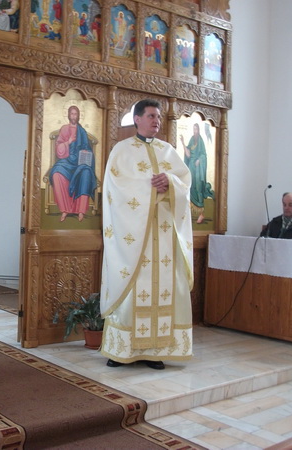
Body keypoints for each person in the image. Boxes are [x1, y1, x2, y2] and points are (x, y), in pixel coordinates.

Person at [100, 99, 194, 370]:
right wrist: (150, 189)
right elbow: (115, 188)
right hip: (133, 236)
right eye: (151, 116)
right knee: (131, 286)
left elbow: (185, 184)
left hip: (163, 235)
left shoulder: (168, 151)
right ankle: (121, 351)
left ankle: (155, 351)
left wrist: (171, 183)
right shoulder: (122, 150)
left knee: (163, 288)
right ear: (137, 119)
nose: (157, 121)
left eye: (159, 117)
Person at [49, 105, 97, 222]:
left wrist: (85, 151)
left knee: (86, 173)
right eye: (72, 114)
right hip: (67, 160)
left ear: (78, 116)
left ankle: (80, 210)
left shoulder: (82, 131)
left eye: (76, 114)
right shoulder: (64, 129)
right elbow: (59, 149)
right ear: (68, 115)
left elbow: (87, 148)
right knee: (56, 174)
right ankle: (64, 209)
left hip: (80, 162)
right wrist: (68, 142)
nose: (74, 116)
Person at [179, 123, 215, 224]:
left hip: (198, 169)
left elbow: (204, 154)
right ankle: (190, 213)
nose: (195, 131)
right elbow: (188, 154)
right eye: (194, 129)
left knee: (198, 188)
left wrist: (200, 159)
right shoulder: (192, 139)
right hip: (191, 168)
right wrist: (183, 143)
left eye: (196, 129)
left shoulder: (200, 141)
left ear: (198, 130)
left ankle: (202, 214)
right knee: (191, 188)